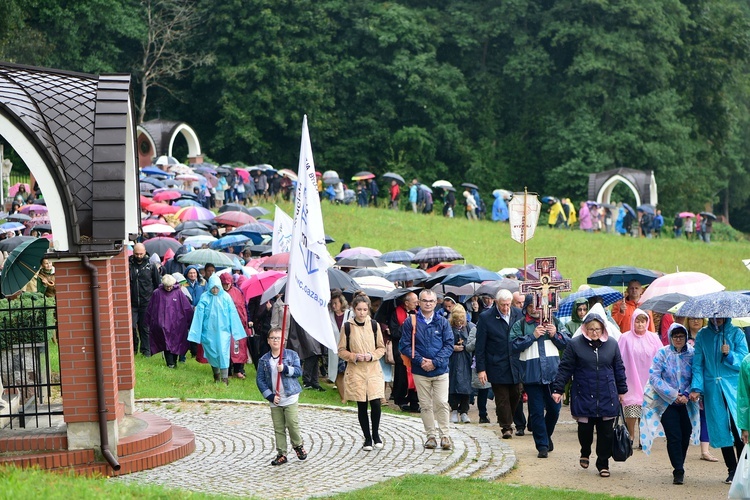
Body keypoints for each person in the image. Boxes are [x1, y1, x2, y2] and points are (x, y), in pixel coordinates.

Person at [552, 308, 627, 478]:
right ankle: (585, 451)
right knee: (585, 429)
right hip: (583, 393)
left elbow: (619, 368)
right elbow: (565, 368)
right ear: (585, 328)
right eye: (591, 329)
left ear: (603, 329)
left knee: (606, 432)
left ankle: (603, 463)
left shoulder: (612, 344)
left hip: (607, 394)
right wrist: (558, 389)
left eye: (598, 329)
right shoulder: (575, 344)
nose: (594, 332)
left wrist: (622, 390)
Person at [689, 317, 749, 484]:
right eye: (715, 316)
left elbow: (745, 361)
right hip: (713, 388)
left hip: (733, 386)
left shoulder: (737, 333)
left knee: (739, 426)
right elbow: (698, 364)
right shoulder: (702, 335)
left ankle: (743, 469)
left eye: (721, 315)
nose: (718, 319)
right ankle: (731, 469)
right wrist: (696, 387)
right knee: (720, 428)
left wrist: (730, 355)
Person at [640, 323, 700, 485]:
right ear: (670, 337)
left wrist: (687, 393)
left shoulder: (693, 354)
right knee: (674, 435)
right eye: (675, 336)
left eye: (681, 336)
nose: (678, 339)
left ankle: (679, 461)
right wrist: (673, 395)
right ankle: (678, 469)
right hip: (667, 403)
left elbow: (698, 374)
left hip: (688, 403)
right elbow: (654, 377)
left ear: (686, 337)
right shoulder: (662, 353)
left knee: (685, 434)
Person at [511, 294, 569, 458]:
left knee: (554, 409)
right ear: (526, 308)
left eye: (537, 307)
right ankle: (542, 445)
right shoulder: (520, 324)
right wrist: (532, 336)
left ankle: (546, 435)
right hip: (531, 374)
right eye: (531, 307)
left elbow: (567, 342)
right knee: (536, 411)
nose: (535, 310)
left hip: (552, 373)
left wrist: (556, 334)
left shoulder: (554, 322)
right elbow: (513, 345)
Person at [399, 289, 454, 450]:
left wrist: (435, 362)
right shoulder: (411, 322)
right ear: (419, 303)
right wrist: (420, 360)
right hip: (420, 370)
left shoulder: (442, 322)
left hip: (440, 370)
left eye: (431, 301)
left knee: (442, 402)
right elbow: (404, 345)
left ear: (436, 302)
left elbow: (449, 344)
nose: (428, 303)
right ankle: (431, 435)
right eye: (424, 301)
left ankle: (445, 435)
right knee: (425, 404)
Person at [338, 293, 386, 451]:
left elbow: (381, 348)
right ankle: (367, 437)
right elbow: (341, 350)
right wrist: (354, 356)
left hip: (372, 369)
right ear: (354, 309)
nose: (362, 312)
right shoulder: (347, 327)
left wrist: (371, 355)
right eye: (359, 309)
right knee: (362, 403)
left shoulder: (374, 325)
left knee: (376, 402)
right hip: (356, 369)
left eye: (365, 309)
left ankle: (376, 434)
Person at [475, 289, 525, 438]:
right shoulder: (486, 318)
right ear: (496, 302)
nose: (505, 308)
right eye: (502, 305)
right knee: (502, 397)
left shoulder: (518, 314)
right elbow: (480, 346)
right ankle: (506, 427)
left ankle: (504, 417)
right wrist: (481, 369)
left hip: (516, 363)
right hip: (497, 363)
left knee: (516, 394)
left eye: (508, 304)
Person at [256, 327, 307, 466]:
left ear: (283, 340)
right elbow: (260, 380)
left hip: (290, 396)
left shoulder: (291, 355)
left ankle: (297, 444)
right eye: (272, 338)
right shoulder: (264, 360)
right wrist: (270, 396)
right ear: (268, 341)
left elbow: (298, 371)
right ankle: (281, 453)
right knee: (278, 427)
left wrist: (285, 369)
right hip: (275, 399)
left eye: (278, 338)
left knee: (292, 423)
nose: (275, 340)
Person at [187, 274, 247, 385]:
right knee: (212, 353)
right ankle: (216, 375)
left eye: (217, 287)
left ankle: (224, 379)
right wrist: (196, 333)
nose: (215, 290)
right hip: (208, 331)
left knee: (223, 353)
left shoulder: (226, 297)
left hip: (224, 331)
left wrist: (236, 331)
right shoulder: (205, 297)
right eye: (213, 288)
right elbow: (198, 316)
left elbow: (233, 314)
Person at [618, 309, 663, 447]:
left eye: (643, 321)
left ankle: (644, 438)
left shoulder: (654, 338)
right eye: (637, 321)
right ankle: (630, 435)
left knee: (647, 409)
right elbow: (617, 357)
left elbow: (661, 356)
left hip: (648, 380)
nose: (640, 324)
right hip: (630, 378)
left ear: (647, 322)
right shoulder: (625, 338)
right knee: (632, 408)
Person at [145, 274, 193, 368]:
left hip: (177, 324)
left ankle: (173, 361)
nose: (169, 288)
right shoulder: (157, 293)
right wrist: (148, 321)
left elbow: (186, 308)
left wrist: (189, 321)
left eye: (170, 286)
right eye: (167, 286)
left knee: (175, 342)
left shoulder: (178, 293)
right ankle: (170, 363)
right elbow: (151, 308)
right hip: (162, 324)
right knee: (166, 343)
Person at [388, 291, 420, 412]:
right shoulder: (396, 314)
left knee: (415, 376)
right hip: (401, 351)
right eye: (414, 301)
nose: (417, 303)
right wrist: (406, 323)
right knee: (402, 377)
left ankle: (414, 402)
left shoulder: (418, 313)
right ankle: (402, 401)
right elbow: (395, 333)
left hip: (415, 351)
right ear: (406, 303)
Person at [129, 243, 161, 357]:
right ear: (133, 253)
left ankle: (146, 351)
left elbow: (157, 284)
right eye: (136, 254)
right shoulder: (128, 265)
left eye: (141, 254)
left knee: (145, 327)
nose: (138, 256)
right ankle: (133, 349)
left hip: (146, 301)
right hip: (132, 302)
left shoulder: (151, 266)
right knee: (131, 326)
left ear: (145, 252)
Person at [219, 273, 251, 379]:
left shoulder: (237, 292)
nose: (226, 286)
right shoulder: (218, 293)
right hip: (224, 326)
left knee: (238, 348)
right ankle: (227, 371)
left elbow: (243, 308)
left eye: (228, 283)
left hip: (238, 325)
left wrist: (246, 322)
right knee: (226, 348)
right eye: (224, 284)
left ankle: (238, 370)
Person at [448, 304, 474, 424]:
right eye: (457, 321)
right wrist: (452, 347)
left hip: (466, 360)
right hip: (452, 360)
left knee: (466, 386)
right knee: (452, 385)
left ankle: (464, 411)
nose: (459, 323)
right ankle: (453, 410)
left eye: (461, 321)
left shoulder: (470, 327)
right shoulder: (447, 327)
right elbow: (442, 343)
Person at [328, 290, 353, 402]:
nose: (334, 306)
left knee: (348, 371)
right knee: (337, 372)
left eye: (336, 303)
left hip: (347, 348)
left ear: (341, 303)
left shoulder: (349, 314)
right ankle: (343, 397)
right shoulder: (329, 315)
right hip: (334, 348)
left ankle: (351, 395)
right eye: (332, 303)